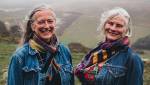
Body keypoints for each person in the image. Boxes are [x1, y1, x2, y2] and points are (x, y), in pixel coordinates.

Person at [7, 4, 74, 85]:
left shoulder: (64, 51)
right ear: (33, 26)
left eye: (50, 21)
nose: (46, 26)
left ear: (55, 23)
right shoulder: (20, 57)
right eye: (41, 22)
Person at [75, 7, 143, 85]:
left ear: (126, 30)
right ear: (104, 25)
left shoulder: (132, 58)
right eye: (110, 23)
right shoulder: (97, 52)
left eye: (119, 25)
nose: (113, 28)